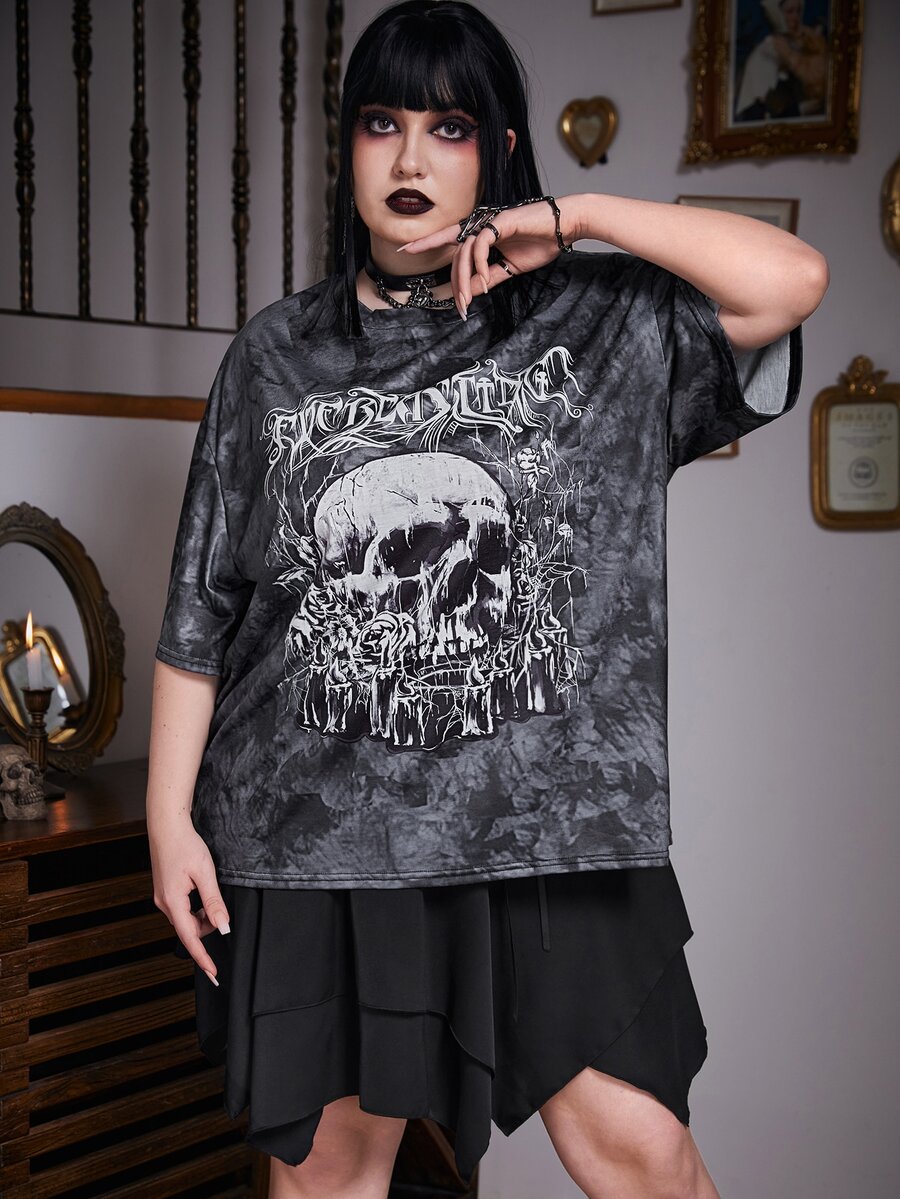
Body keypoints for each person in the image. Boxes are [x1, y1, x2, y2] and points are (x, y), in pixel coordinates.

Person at [146, 3, 828, 1197]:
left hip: (551, 826)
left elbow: (792, 280)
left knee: (640, 1155)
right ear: (348, 147)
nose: (409, 157)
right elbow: (203, 605)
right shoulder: (272, 355)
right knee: (327, 1175)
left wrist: (578, 218)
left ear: (499, 152)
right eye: (381, 123)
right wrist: (167, 818)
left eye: (449, 127)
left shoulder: (599, 321)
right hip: (316, 833)